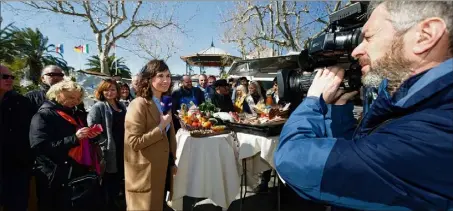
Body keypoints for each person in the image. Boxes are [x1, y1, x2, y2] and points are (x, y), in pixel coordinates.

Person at [274, 1, 453, 210]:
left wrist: (313, 100)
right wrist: (340, 109)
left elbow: (292, 160)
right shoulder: (418, 106)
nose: (356, 51)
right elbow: (363, 149)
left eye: (368, 37)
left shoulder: (434, 132)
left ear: (425, 36)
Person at [30, 80, 102, 211]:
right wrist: (75, 138)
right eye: (70, 97)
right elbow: (40, 146)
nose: (74, 101)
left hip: (78, 173)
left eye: (77, 98)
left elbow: (83, 140)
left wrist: (90, 136)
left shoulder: (77, 113)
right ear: (57, 94)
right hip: (55, 176)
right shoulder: (44, 115)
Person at [124, 60, 177, 211]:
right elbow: (134, 142)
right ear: (148, 79)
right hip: (146, 173)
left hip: (164, 167)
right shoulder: (138, 104)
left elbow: (169, 135)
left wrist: (173, 160)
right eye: (160, 76)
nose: (166, 80)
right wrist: (161, 127)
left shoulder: (165, 102)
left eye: (168, 76)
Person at [87, 79, 127, 210]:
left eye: (113, 89)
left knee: (119, 177)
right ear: (101, 91)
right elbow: (92, 128)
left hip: (123, 147)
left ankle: (115, 203)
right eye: (106, 90)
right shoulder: (98, 107)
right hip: (109, 150)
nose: (109, 92)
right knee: (108, 180)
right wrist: (103, 144)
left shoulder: (121, 106)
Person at [0, 65, 34, 211]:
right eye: (4, 77)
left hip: (17, 168)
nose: (10, 80)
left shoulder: (23, 102)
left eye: (11, 77)